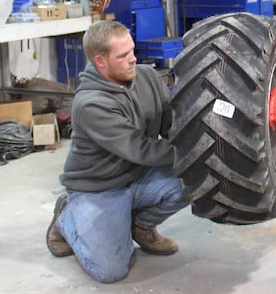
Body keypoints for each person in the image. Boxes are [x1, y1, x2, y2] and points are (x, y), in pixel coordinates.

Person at [46, 19, 188, 283]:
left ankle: (141, 226)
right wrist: (189, 151)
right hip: (100, 188)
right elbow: (140, 149)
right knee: (110, 272)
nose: (133, 59)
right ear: (101, 61)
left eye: (132, 50)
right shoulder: (91, 104)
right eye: (123, 55)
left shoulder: (147, 77)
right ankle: (66, 219)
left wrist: (201, 143)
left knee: (198, 177)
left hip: (138, 176)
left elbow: (170, 124)